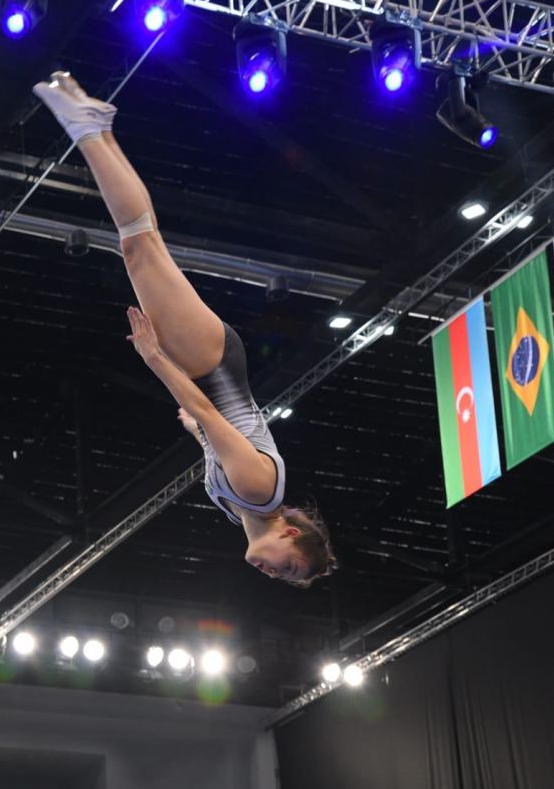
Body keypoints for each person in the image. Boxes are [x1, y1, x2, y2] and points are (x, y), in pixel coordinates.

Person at [33, 73, 337, 586]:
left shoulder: (234, 504)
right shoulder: (260, 491)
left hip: (213, 367)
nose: (271, 574)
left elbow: (211, 431)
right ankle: (87, 131)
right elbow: (206, 409)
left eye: (281, 579)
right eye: (286, 569)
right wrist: (155, 359)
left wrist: (196, 432)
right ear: (289, 535)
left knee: (142, 243)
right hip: (210, 367)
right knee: (138, 245)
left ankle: (98, 129)